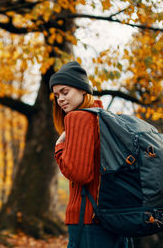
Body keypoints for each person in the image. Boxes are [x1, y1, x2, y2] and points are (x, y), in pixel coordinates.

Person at [50, 61, 128, 248]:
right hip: (115, 218)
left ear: (83, 90)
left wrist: (59, 147)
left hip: (88, 220)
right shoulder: (104, 117)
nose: (60, 99)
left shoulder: (78, 117)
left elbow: (80, 174)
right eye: (56, 95)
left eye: (65, 92)